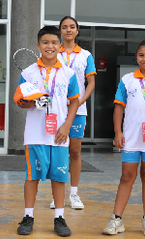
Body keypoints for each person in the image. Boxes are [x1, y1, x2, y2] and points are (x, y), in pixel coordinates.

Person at [103, 39, 145, 237]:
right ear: (136, 57)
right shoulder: (127, 80)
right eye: (141, 55)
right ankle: (116, 219)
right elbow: (118, 108)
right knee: (127, 176)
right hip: (131, 138)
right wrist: (118, 132)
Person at [16, 26, 80, 237]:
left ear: (60, 46)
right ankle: (28, 216)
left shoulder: (68, 74)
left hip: (60, 135)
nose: (49, 46)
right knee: (31, 177)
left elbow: (74, 102)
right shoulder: (28, 73)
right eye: (45, 43)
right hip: (35, 134)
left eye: (54, 42)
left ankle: (59, 217)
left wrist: (66, 126)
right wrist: (32, 100)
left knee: (59, 177)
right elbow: (21, 103)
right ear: (38, 46)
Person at [48, 16, 96, 210]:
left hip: (78, 110)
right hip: (56, 110)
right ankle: (56, 194)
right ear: (60, 31)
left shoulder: (85, 55)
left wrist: (77, 102)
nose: (68, 30)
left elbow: (91, 83)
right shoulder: (52, 53)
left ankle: (74, 194)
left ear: (77, 31)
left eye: (72, 27)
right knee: (57, 151)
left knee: (74, 151)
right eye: (64, 27)